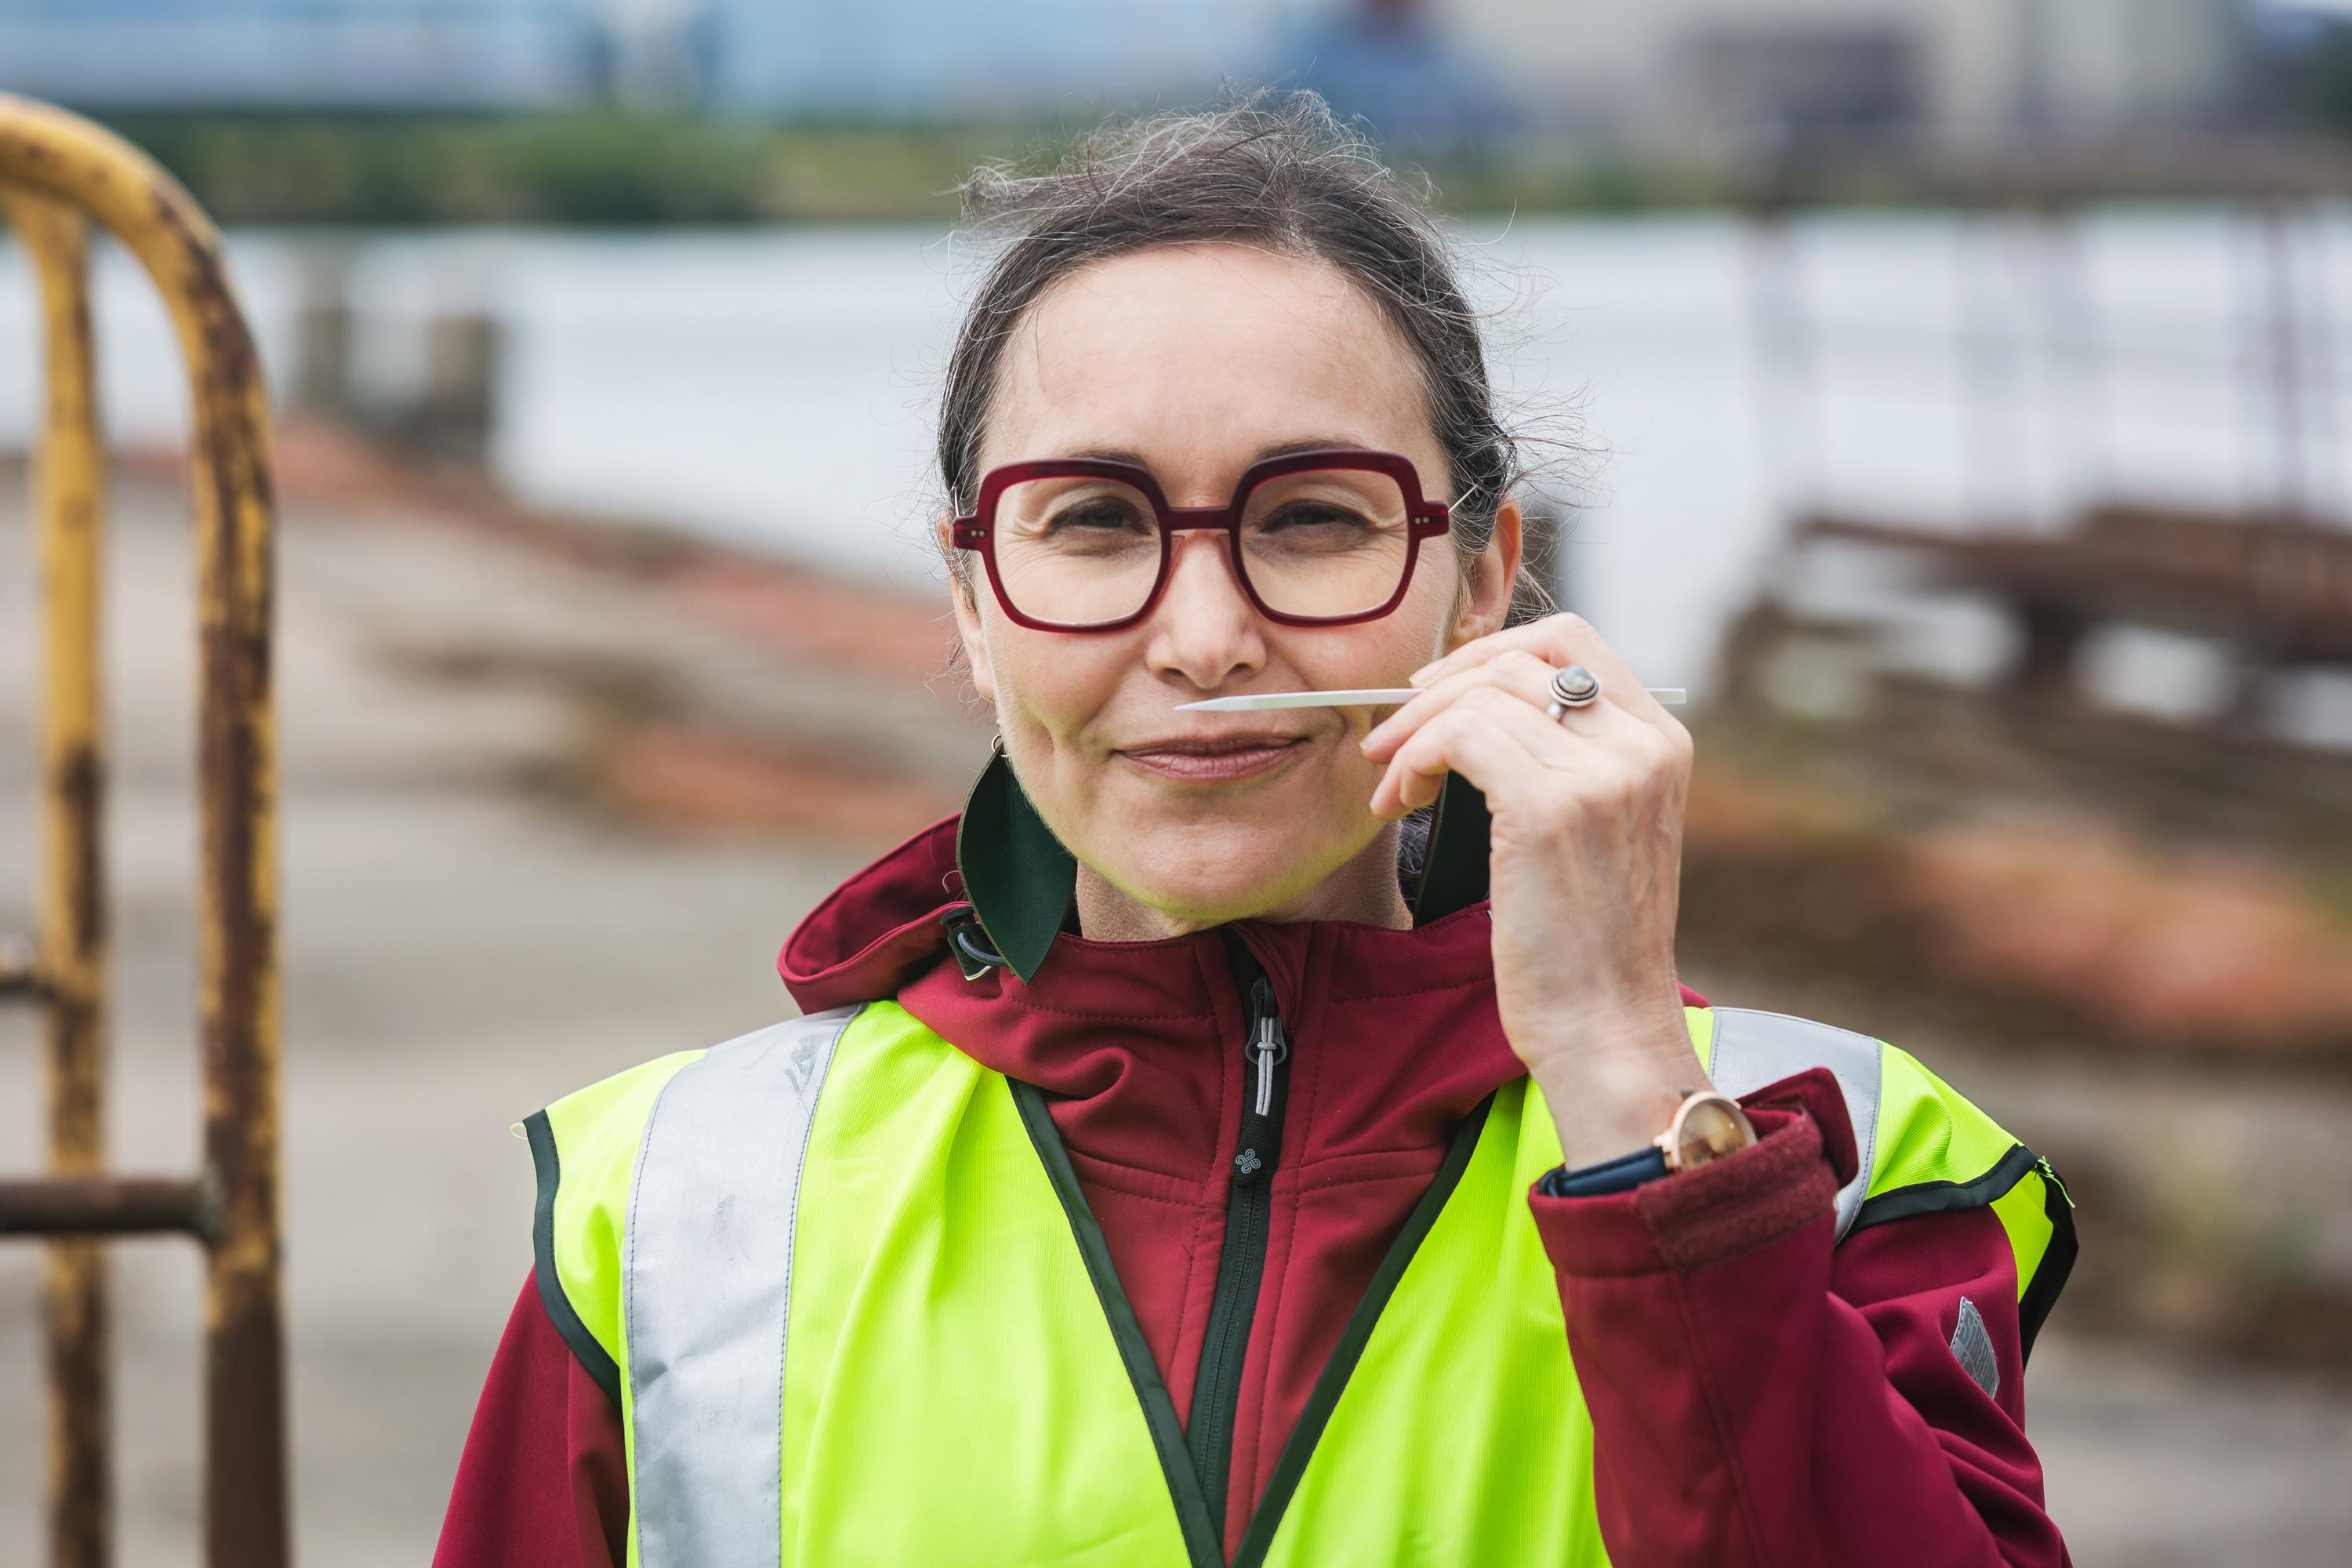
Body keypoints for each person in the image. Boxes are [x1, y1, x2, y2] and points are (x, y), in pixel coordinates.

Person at [433, 90, 2075, 1568]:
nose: (1207, 637)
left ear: (1482, 582)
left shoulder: (1846, 1170)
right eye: (1095, 520)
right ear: (976, 600)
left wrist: (1633, 1089)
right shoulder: (675, 1213)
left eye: (1310, 518)